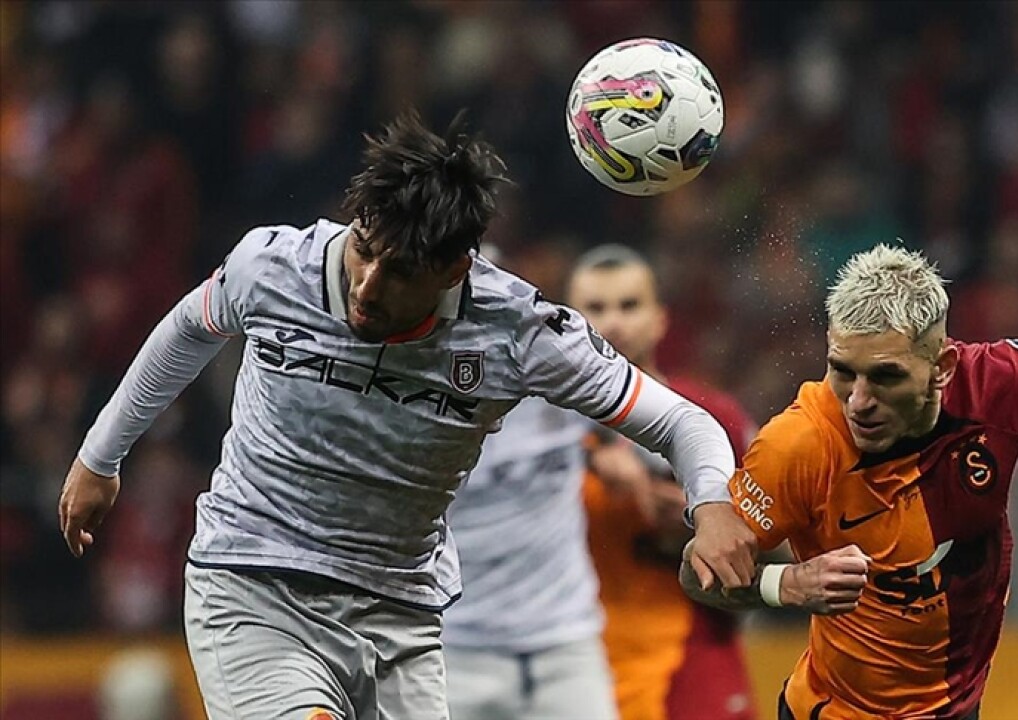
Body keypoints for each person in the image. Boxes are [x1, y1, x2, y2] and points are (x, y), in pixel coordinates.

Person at [56, 110, 757, 720]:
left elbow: (683, 422)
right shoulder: (273, 267)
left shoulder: (517, 331)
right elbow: (188, 329)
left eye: (398, 272)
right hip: (256, 583)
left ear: (454, 271)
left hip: (399, 616)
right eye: (363, 250)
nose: (367, 285)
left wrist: (713, 505)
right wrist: (99, 457)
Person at [678, 244, 1018, 719]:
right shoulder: (796, 445)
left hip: (956, 707)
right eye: (842, 371)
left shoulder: (999, 384)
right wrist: (787, 584)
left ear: (942, 367)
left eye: (885, 376)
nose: (858, 401)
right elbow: (697, 572)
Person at [571, 245, 759, 720]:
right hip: (572, 661)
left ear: (660, 320)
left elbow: (786, 547)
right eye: (595, 308)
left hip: (693, 659)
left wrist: (706, 521)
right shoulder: (537, 431)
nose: (613, 322)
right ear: (567, 324)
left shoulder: (715, 420)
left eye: (629, 305)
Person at [443, 388, 648, 720]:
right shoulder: (418, 386)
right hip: (453, 645)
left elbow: (666, 417)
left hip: (566, 643)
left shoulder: (567, 370)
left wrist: (614, 447)